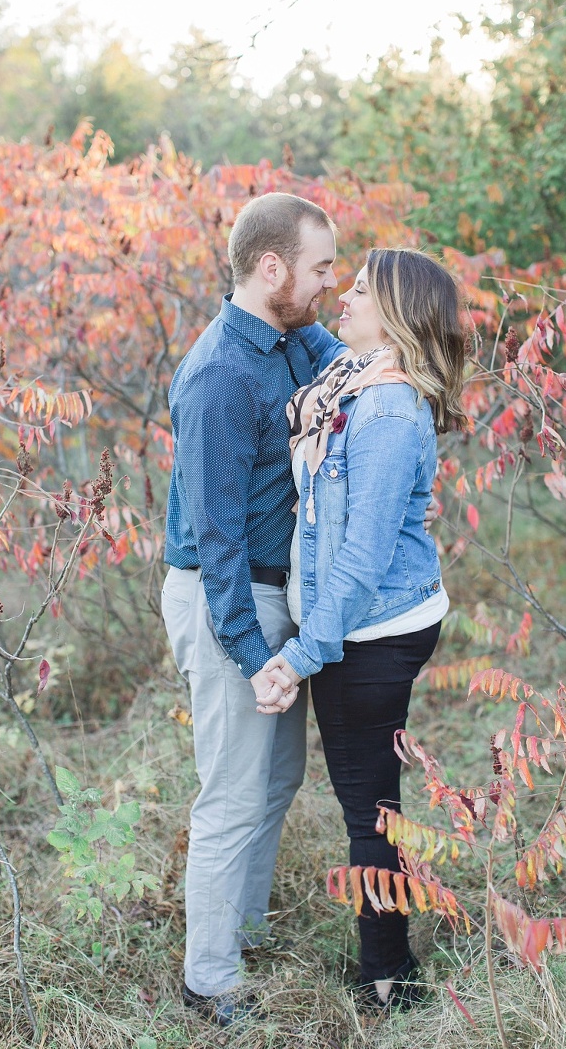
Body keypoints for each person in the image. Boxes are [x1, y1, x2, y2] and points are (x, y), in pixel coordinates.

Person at [257, 247, 468, 1011]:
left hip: (370, 629)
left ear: (397, 315)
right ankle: (392, 958)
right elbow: (318, 337)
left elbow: (361, 557)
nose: (341, 297)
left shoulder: (382, 408)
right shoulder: (356, 380)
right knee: (375, 800)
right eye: (338, 283)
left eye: (358, 290)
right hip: (376, 621)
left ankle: (388, 979)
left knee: (368, 812)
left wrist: (304, 653)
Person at [160, 192, 344, 1026]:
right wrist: (250, 655)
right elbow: (218, 540)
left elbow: (345, 367)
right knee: (232, 790)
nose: (331, 284)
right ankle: (210, 980)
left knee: (278, 776)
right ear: (271, 269)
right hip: (226, 595)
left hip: (276, 593)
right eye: (320, 269)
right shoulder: (217, 379)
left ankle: (242, 929)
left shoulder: (290, 338)